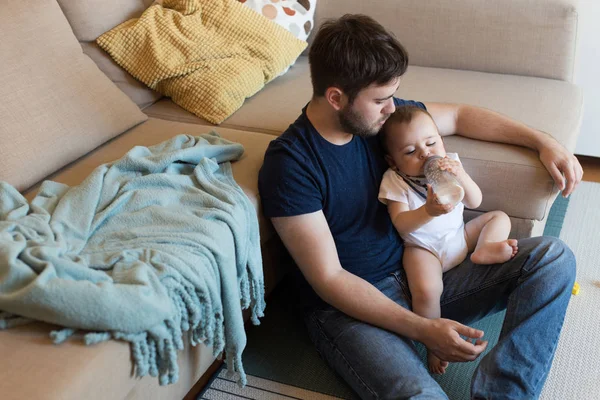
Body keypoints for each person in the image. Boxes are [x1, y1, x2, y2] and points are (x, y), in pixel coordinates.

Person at [258, 13, 580, 399]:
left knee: (552, 257)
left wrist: (543, 142)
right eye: (380, 100)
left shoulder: (383, 122)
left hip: (426, 271)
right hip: (352, 309)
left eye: (393, 95)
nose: (392, 108)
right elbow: (329, 279)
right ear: (336, 97)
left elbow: (461, 116)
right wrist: (423, 329)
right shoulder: (291, 164)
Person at [378, 105, 519, 375]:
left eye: (431, 143)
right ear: (392, 161)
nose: (425, 153)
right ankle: (434, 342)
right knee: (427, 291)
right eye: (410, 151)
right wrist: (426, 211)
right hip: (424, 248)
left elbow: (475, 200)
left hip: (460, 236)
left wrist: (461, 175)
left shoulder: (450, 164)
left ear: (441, 142)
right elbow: (401, 224)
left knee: (498, 217)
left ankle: (484, 249)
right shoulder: (395, 181)